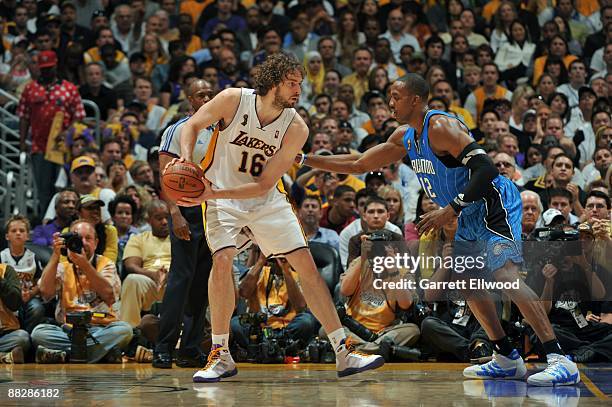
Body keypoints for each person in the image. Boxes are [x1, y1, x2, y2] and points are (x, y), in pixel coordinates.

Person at [302, 73, 580, 386]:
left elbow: (487, 168)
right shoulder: (406, 136)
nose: (390, 102)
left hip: (494, 202)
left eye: (396, 96)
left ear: (415, 99)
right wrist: (304, 159)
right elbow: (358, 164)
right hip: (468, 211)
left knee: (504, 276)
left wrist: (451, 209)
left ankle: (560, 359)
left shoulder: (441, 127)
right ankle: (505, 356)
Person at [169, 53, 384, 382]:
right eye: (292, 83)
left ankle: (343, 351)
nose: (298, 90)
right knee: (223, 259)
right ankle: (220, 354)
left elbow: (265, 184)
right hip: (222, 194)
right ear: (272, 82)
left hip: (264, 199)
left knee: (306, 266)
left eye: (300, 84)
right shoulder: (232, 99)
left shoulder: (296, 127)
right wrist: (186, 158)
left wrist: (210, 194)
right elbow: (192, 124)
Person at [154, 79, 216, 369]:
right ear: (190, 100)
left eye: (209, 93)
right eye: (201, 94)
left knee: (202, 283)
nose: (206, 97)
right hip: (187, 210)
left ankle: (189, 349)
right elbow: (165, 173)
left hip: (215, 209)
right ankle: (163, 347)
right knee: (180, 280)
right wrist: (175, 213)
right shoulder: (177, 129)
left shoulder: (223, 130)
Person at [32, 221, 133, 363]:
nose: (83, 242)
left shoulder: (106, 264)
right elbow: (45, 293)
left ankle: (66, 355)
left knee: (124, 330)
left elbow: (109, 296)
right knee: (39, 333)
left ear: (96, 243)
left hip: (100, 328)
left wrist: (84, 264)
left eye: (88, 238)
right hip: (68, 331)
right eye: (79, 238)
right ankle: (102, 354)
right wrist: (55, 255)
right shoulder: (62, 267)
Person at [119, 200, 171, 328]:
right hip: (149, 282)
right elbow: (131, 265)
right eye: (159, 218)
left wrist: (172, 274)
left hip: (175, 280)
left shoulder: (180, 237)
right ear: (149, 220)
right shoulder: (138, 239)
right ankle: (129, 331)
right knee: (132, 280)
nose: (164, 222)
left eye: (167, 217)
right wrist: (153, 275)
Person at [1, 216, 45, 334]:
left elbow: (40, 282)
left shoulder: (34, 257)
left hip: (28, 297)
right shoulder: (1, 257)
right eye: (14, 231)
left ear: (27, 236)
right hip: (7, 298)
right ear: (7, 236)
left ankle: (29, 337)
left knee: (37, 308)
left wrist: (31, 294)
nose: (18, 233)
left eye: (22, 231)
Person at [0, 262, 29, 364]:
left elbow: (15, 304)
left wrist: (1, 282)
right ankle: (5, 357)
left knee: (22, 338)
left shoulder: (6, 270)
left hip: (4, 334)